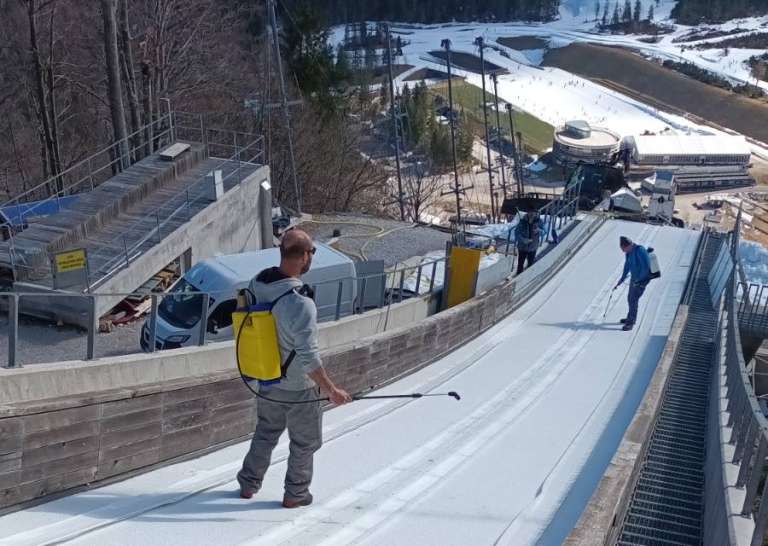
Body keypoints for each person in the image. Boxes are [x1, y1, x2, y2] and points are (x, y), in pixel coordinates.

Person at [237, 229, 352, 508]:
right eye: (312, 252)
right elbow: (308, 358)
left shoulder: (258, 282)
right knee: (304, 443)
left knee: (266, 432)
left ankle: (248, 484)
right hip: (298, 388)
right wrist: (331, 390)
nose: (311, 257)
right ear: (302, 256)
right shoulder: (300, 303)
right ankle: (296, 494)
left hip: (266, 379)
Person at [614, 236, 651, 332]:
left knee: (633, 299)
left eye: (623, 249)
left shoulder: (640, 251)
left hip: (642, 279)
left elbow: (646, 267)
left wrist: (639, 280)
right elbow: (627, 266)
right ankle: (630, 317)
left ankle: (631, 322)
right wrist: (621, 280)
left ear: (628, 245)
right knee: (630, 298)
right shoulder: (628, 253)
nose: (623, 251)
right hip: (634, 279)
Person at [515, 207, 544, 275]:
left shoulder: (539, 221)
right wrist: (523, 240)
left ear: (536, 213)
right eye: (530, 212)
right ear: (527, 212)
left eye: (533, 212)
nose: (532, 214)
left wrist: (539, 230)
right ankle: (518, 278)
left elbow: (545, 231)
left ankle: (528, 277)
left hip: (533, 247)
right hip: (522, 247)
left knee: (531, 264)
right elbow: (516, 233)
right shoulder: (522, 221)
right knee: (520, 265)